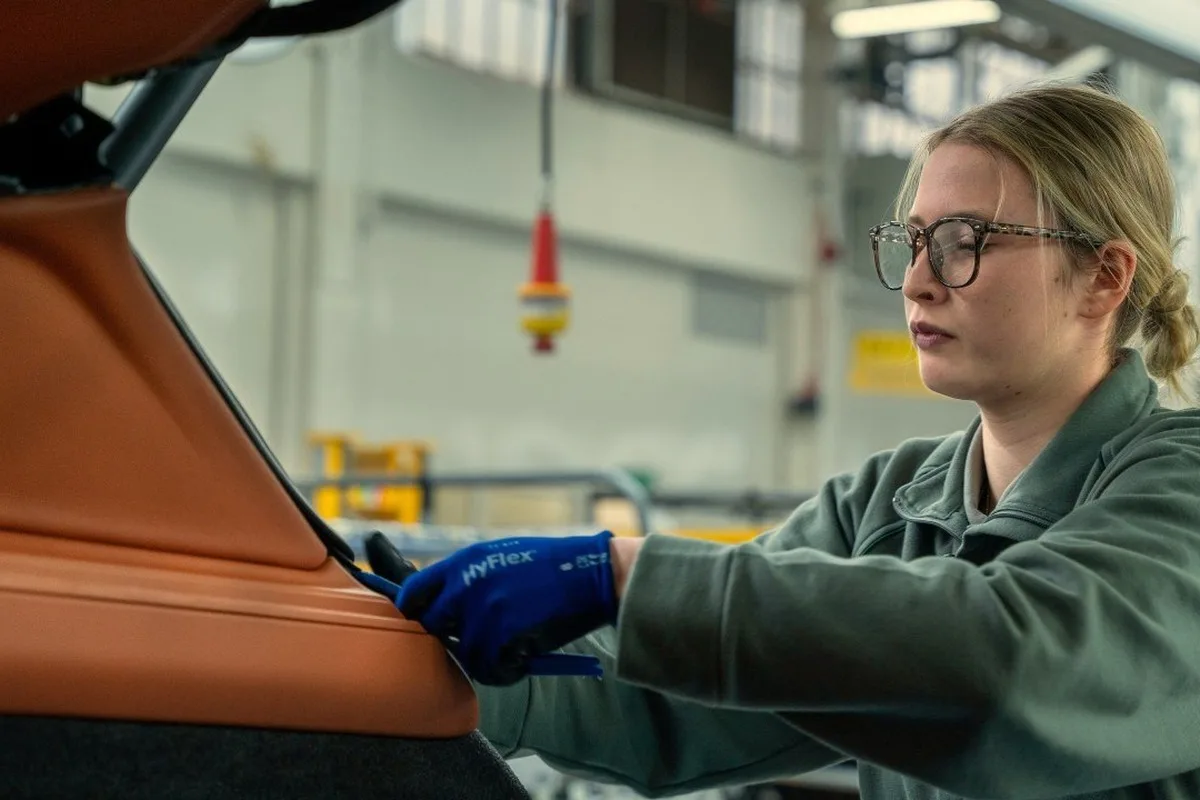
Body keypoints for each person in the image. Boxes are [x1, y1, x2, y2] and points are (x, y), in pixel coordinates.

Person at [379, 82, 1200, 799]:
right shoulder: (885, 506)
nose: (917, 280)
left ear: (1104, 276)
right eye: (914, 242)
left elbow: (1005, 667)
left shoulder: (1178, 485)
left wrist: (626, 575)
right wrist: (425, 669)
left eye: (963, 244)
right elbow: (668, 698)